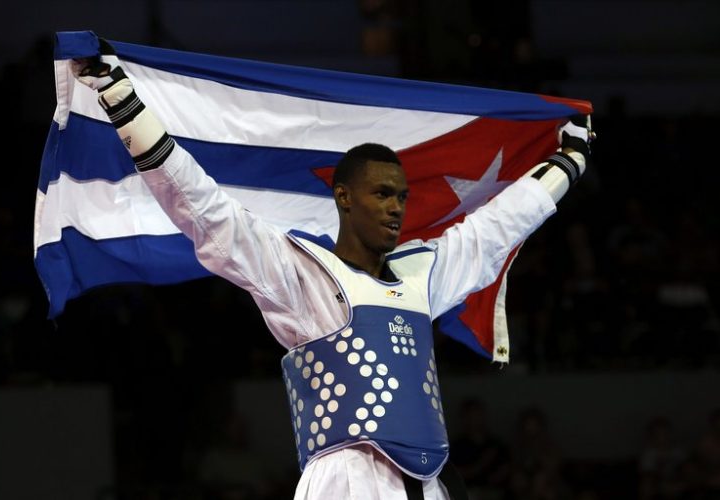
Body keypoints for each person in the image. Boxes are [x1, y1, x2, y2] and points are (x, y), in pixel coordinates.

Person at [70, 37, 593, 500]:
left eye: (402, 197)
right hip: (345, 480)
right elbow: (205, 209)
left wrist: (570, 162)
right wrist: (121, 100)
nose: (396, 208)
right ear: (343, 197)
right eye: (382, 194)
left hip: (429, 483)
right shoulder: (303, 274)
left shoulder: (422, 273)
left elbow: (495, 228)